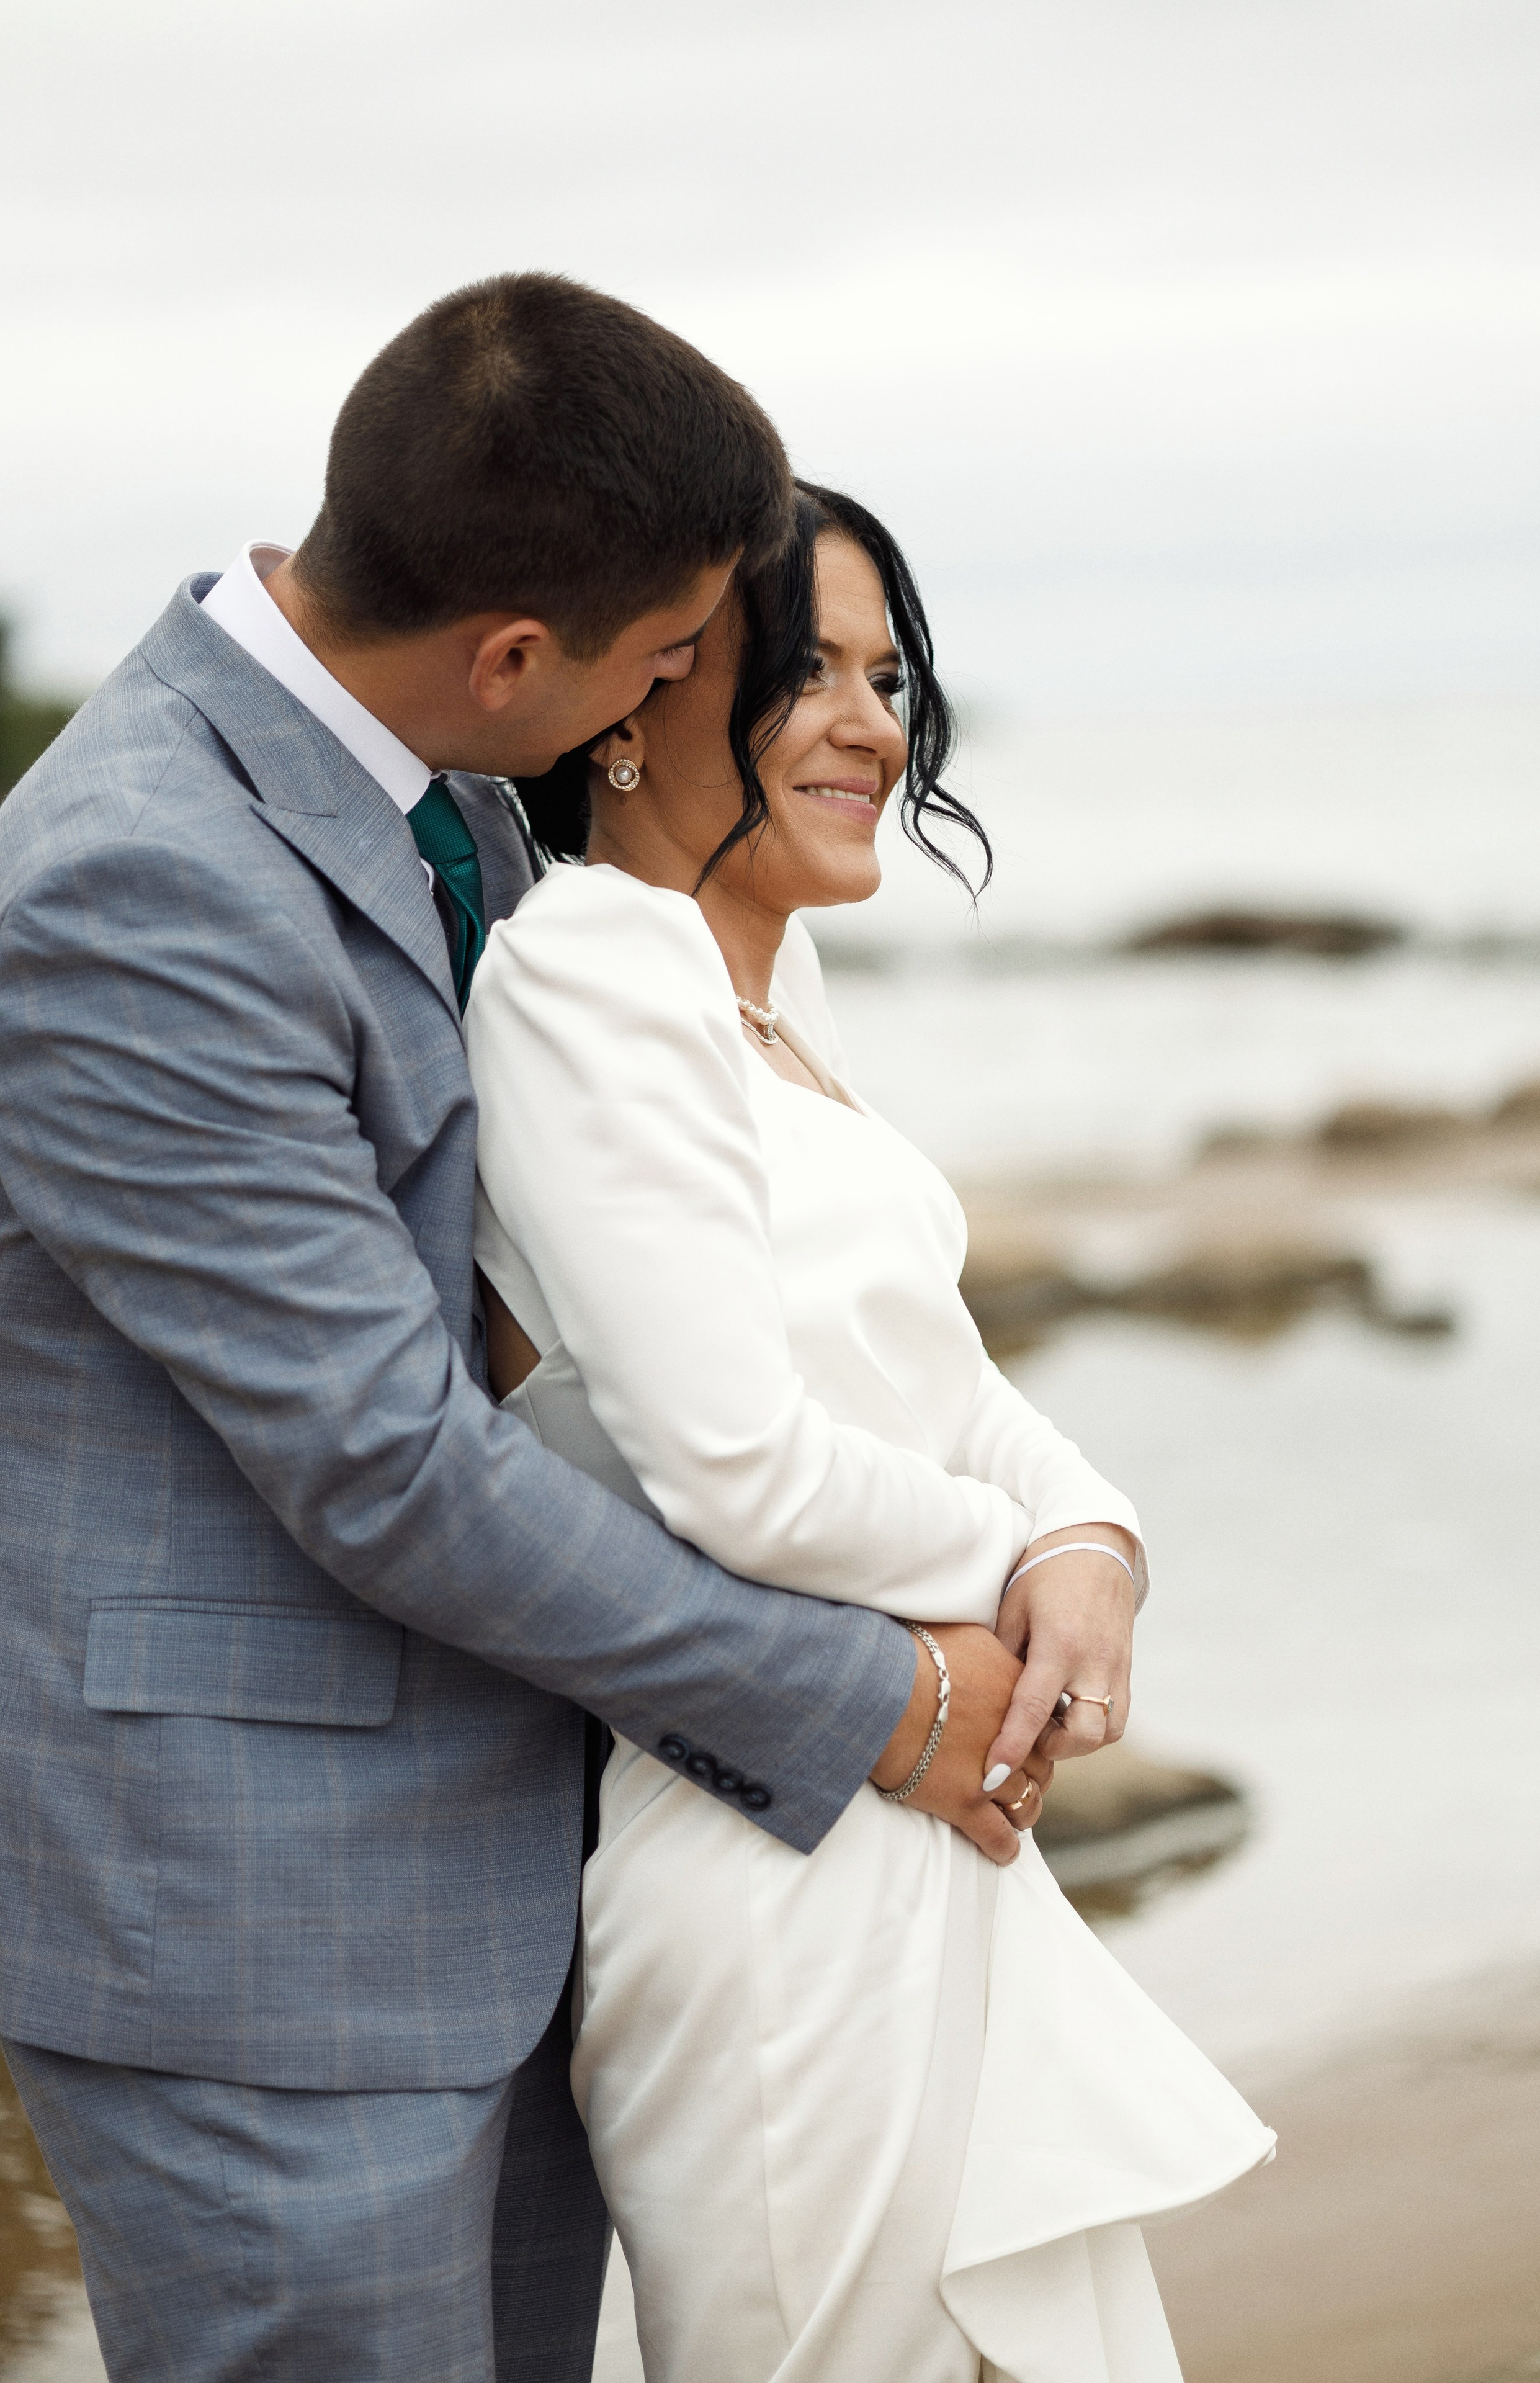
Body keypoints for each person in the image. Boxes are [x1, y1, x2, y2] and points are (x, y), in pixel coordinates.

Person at [0, 277, 1067, 2383]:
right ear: (514, 652)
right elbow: (388, 1460)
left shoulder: (466, 797)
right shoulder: (131, 883)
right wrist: (872, 1696)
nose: (670, 702)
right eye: (675, 655)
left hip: (534, 1870)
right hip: (263, 1941)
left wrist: (1061, 1526)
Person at [467, 485, 1275, 2383]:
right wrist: (1008, 1580)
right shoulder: (594, 967)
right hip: (773, 1869)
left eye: (890, 675)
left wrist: (1089, 1539)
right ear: (633, 701)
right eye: (804, 669)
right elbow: (730, 1463)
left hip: (921, 1822)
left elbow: (941, 1379)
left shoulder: (772, 989)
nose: (876, 725)